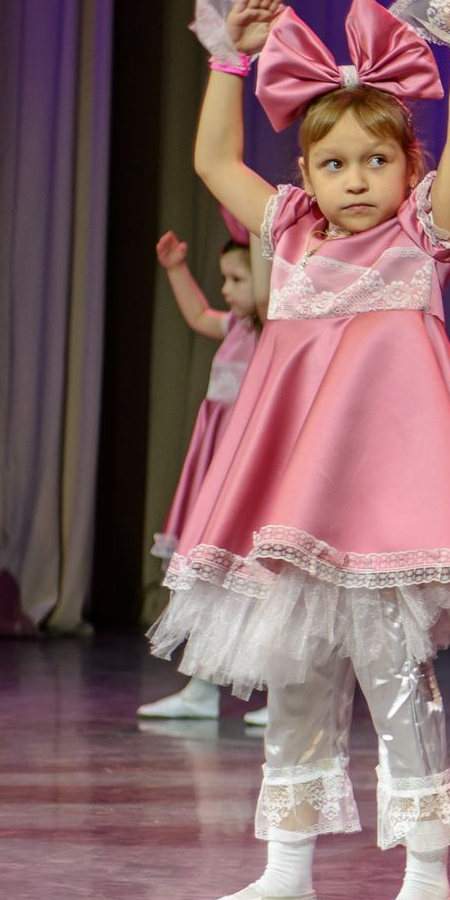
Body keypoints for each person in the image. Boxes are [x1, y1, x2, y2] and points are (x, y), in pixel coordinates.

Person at [153, 0, 450, 900]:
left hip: (387, 498)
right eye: (333, 163)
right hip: (299, 493)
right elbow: (213, 163)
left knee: (394, 674)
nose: (355, 180)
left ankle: (427, 882)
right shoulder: (289, 232)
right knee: (295, 674)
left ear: (409, 166)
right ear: (306, 173)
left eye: (376, 160)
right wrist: (230, 63)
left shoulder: (423, 233)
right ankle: (285, 875)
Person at [138, 227, 268, 724]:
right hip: (218, 461)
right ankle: (201, 689)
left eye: (238, 279)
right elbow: (197, 316)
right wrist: (175, 268)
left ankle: (287, 699)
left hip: (249, 466)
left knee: (259, 580)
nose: (227, 289)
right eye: (225, 278)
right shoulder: (237, 327)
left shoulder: (275, 332)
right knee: (212, 574)